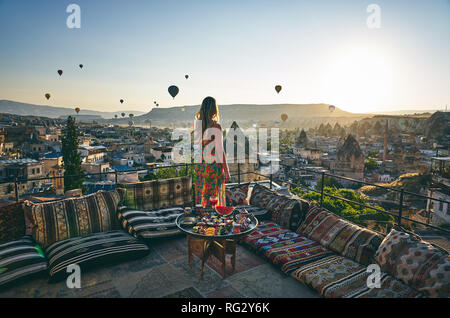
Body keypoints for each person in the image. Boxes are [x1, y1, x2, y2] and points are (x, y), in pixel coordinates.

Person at [194, 96, 230, 208]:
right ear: (214, 109)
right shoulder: (216, 126)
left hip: (201, 166)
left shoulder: (198, 126)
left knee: (202, 196)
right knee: (213, 198)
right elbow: (220, 150)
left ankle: (203, 221)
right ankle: (213, 222)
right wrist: (226, 170)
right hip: (213, 167)